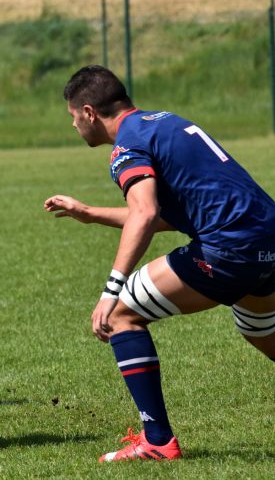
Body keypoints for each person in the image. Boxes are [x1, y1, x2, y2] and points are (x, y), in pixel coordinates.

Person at [43, 65, 275, 462]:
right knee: (259, 331)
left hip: (228, 249)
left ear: (88, 112)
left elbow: (145, 214)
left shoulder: (127, 145)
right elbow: (172, 214)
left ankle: (157, 440)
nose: (74, 127)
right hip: (267, 240)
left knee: (119, 315)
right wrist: (88, 212)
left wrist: (110, 289)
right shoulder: (163, 123)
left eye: (72, 119)